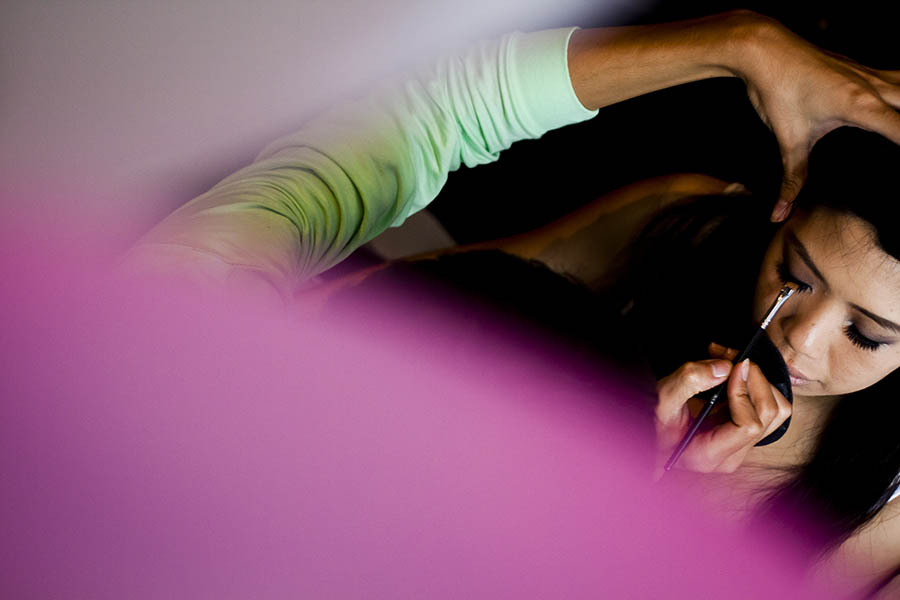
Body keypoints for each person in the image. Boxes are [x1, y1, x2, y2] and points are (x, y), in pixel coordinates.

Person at [120, 8, 900, 596]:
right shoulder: (683, 231)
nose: (799, 338)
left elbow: (426, 131)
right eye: (792, 272)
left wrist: (739, 43)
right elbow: (426, 300)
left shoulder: (167, 336)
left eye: (868, 334)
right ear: (784, 207)